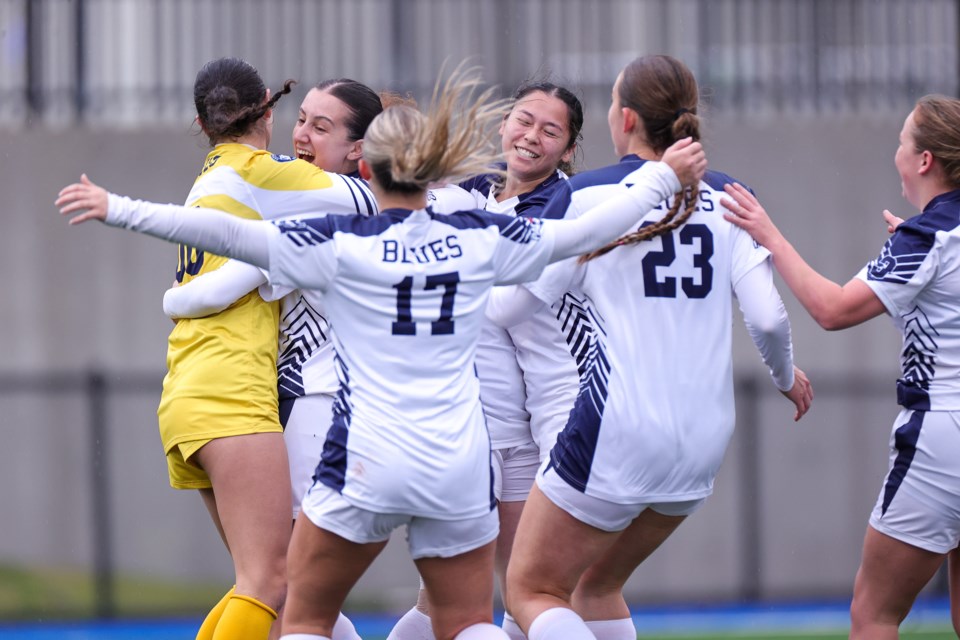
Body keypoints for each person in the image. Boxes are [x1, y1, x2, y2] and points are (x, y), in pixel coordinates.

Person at [57, 66, 707, 640]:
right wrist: (660, 179)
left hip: (366, 465)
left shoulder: (337, 243)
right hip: (458, 467)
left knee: (304, 616)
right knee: (471, 624)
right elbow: (582, 232)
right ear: (430, 171)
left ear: (365, 168)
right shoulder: (480, 236)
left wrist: (117, 207)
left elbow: (220, 230)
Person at [495, 54, 813, 640]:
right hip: (702, 441)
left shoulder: (588, 196)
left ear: (627, 119)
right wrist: (785, 376)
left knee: (531, 592)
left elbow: (512, 308)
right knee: (596, 588)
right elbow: (768, 319)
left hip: (617, 429)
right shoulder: (732, 197)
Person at [124, 57, 379, 640]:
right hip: (234, 392)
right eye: (302, 119)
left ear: (200, 121)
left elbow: (217, 283)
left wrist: (175, 302)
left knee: (265, 583)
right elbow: (370, 198)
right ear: (269, 102)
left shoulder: (213, 176)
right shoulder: (264, 175)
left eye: (322, 125)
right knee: (271, 583)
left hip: (190, 391)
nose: (302, 136)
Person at [721, 93, 960, 639]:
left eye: (902, 141)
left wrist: (767, 233)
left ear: (924, 161)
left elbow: (830, 310)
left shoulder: (926, 237)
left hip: (942, 437)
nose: (896, 151)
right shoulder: (926, 238)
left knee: (873, 613)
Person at [388, 81, 585, 640]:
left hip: (554, 413)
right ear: (502, 124)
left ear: (569, 149)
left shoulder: (559, 205)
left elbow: (505, 306)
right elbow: (420, 194)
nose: (531, 137)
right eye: (524, 120)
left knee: (532, 591)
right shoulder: (478, 193)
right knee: (517, 592)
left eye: (550, 131)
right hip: (491, 420)